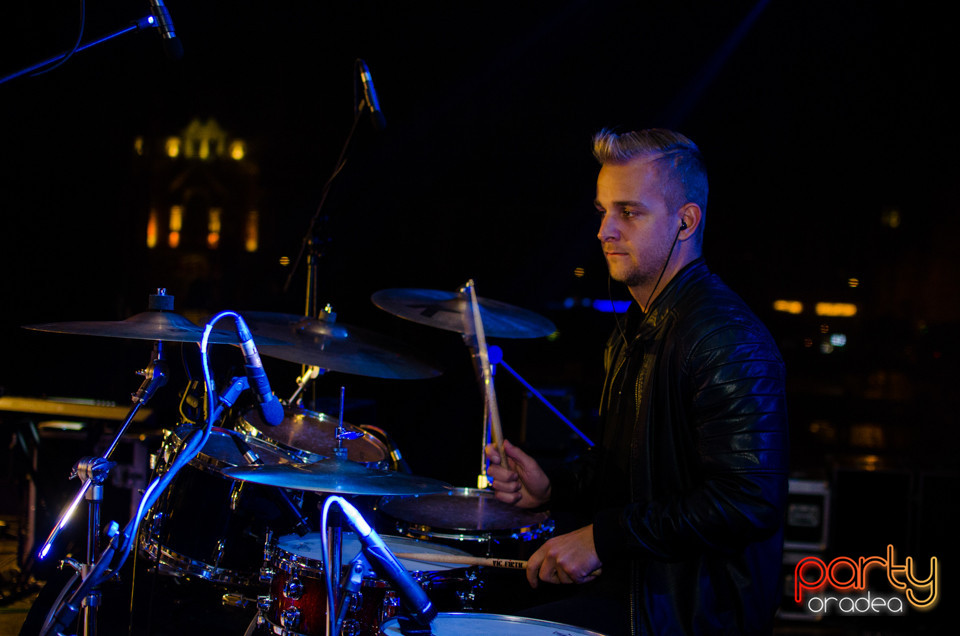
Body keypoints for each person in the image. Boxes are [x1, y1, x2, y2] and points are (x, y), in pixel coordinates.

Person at [486, 128, 789, 635]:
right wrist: (553, 485)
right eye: (603, 211)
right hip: (632, 588)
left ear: (685, 221)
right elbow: (629, 471)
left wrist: (602, 539)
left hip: (686, 616)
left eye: (628, 212)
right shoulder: (635, 328)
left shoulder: (727, 337)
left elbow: (748, 502)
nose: (605, 231)